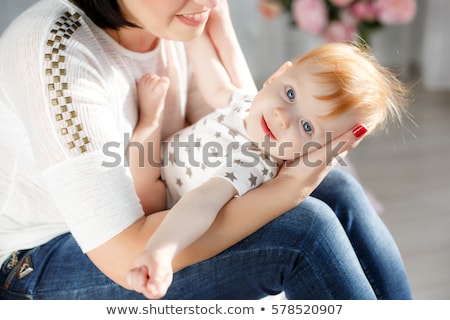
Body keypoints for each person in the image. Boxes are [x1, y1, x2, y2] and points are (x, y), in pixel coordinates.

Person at [0, 0, 412, 300]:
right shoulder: (56, 48)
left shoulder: (175, 18)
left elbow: (244, 124)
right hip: (34, 262)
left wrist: (218, 22)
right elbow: (126, 255)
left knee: (337, 189)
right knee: (306, 229)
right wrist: (289, 191)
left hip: (156, 203)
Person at [127, 39, 410, 299]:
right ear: (277, 76)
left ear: (314, 154)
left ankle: (150, 121)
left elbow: (202, 203)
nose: (282, 117)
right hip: (170, 155)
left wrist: (160, 251)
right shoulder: (249, 106)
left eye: (307, 126)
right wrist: (197, 32)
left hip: (162, 204)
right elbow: (215, 84)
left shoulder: (253, 163)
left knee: (145, 180)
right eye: (290, 94)